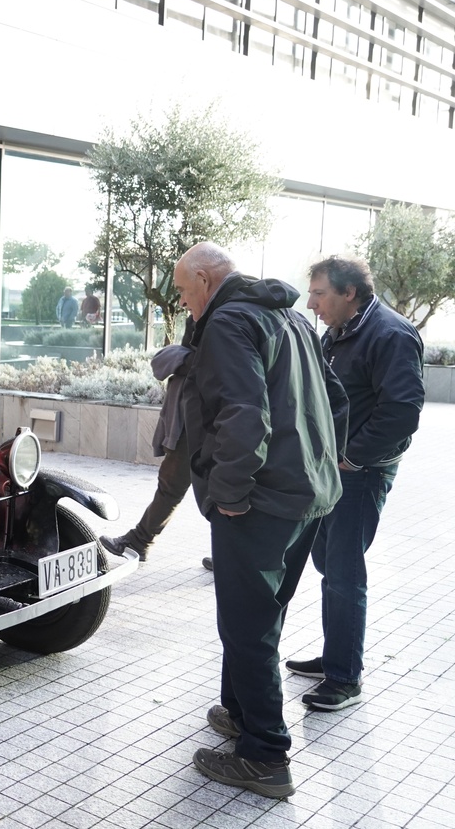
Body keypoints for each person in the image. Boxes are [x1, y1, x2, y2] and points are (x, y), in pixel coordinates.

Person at [175, 242, 347, 799]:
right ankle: (243, 713)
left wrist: (229, 494)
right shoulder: (290, 316)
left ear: (205, 279)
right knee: (261, 618)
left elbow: (244, 415)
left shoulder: (228, 322)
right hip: (307, 494)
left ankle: (266, 755)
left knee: (248, 627)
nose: (183, 302)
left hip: (261, 501)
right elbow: (336, 399)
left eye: (182, 290)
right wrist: (317, 463)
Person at [284, 257, 424, 711]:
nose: (311, 303)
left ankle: (345, 678)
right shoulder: (340, 331)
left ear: (349, 293)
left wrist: (351, 456)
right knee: (329, 563)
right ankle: (334, 655)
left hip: (359, 474)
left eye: (319, 293)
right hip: (332, 472)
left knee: (343, 573)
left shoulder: (391, 333)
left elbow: (402, 412)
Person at [100, 319, 194, 562]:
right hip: (204, 422)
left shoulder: (219, 317)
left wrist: (185, 359)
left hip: (202, 424)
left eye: (185, 292)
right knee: (202, 490)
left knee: (173, 486)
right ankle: (229, 553)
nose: (183, 301)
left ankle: (140, 540)